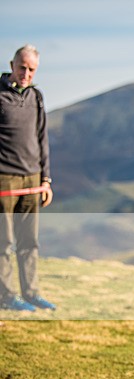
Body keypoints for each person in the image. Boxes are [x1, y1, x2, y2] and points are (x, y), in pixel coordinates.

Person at [0, 45, 56, 312]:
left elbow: (42, 138)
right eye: (22, 67)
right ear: (12, 65)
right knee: (3, 241)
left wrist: (46, 180)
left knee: (29, 241)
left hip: (32, 179)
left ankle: (31, 293)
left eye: (32, 69)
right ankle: (7, 296)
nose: (26, 74)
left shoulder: (36, 97)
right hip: (4, 179)